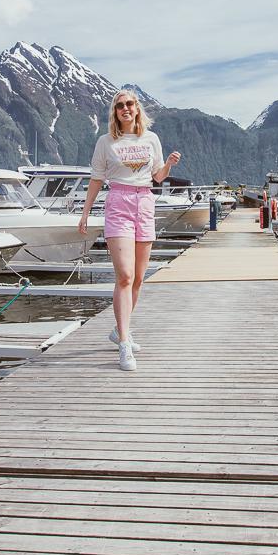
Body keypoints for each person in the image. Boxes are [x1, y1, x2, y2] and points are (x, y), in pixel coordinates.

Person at [79, 90, 181, 370]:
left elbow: (157, 177)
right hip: (119, 204)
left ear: (137, 109)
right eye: (120, 105)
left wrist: (169, 165)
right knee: (124, 276)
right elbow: (96, 179)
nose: (125, 108)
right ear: (115, 112)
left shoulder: (151, 139)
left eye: (130, 104)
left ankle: (118, 330)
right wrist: (85, 213)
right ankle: (124, 344)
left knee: (138, 279)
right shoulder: (106, 141)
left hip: (145, 203)